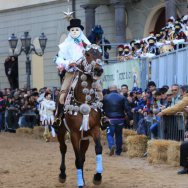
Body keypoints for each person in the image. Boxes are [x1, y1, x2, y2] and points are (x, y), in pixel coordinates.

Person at [54, 18, 91, 119]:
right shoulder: (65, 45)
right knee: (62, 97)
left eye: (77, 30)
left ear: (80, 31)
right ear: (70, 31)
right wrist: (69, 63)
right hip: (71, 73)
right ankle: (59, 118)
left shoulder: (87, 45)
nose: (74, 32)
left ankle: (102, 117)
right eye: (72, 30)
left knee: (99, 93)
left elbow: (92, 57)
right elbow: (58, 59)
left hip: (85, 73)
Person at [103, 85, 127, 156]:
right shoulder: (122, 97)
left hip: (110, 119)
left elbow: (103, 108)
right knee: (119, 135)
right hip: (120, 119)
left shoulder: (105, 97)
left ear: (109, 89)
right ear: (116, 89)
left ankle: (111, 145)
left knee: (109, 134)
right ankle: (118, 152)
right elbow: (126, 108)